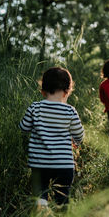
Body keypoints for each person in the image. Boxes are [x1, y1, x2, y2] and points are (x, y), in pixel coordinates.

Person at [19, 67, 84, 209]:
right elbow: (79, 134)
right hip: (64, 165)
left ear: (43, 90)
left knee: (40, 192)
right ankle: (60, 212)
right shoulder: (70, 110)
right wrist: (76, 142)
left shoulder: (35, 107)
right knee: (62, 196)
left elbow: (23, 127)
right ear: (67, 92)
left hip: (39, 163)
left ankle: (42, 207)